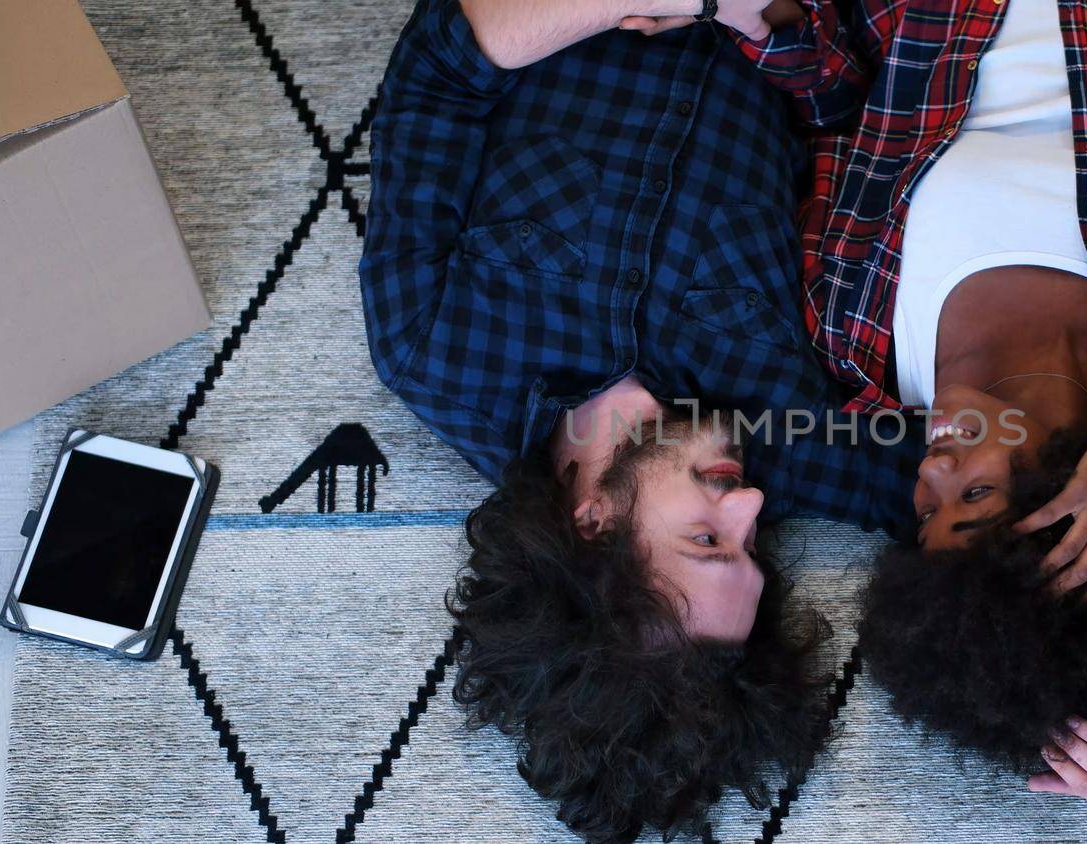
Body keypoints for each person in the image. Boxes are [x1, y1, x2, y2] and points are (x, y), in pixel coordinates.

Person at [629, 0, 1087, 821]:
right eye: (974, 499)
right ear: (1080, 485)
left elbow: (848, 108)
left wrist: (756, 16)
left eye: (926, 512)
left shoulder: (853, 343)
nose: (933, 471)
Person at [358, 0, 921, 840]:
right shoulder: (798, 451)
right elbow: (1004, 495)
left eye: (706, 539)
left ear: (591, 524)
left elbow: (440, 67)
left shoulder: (430, 349)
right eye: (753, 548)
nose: (753, 509)